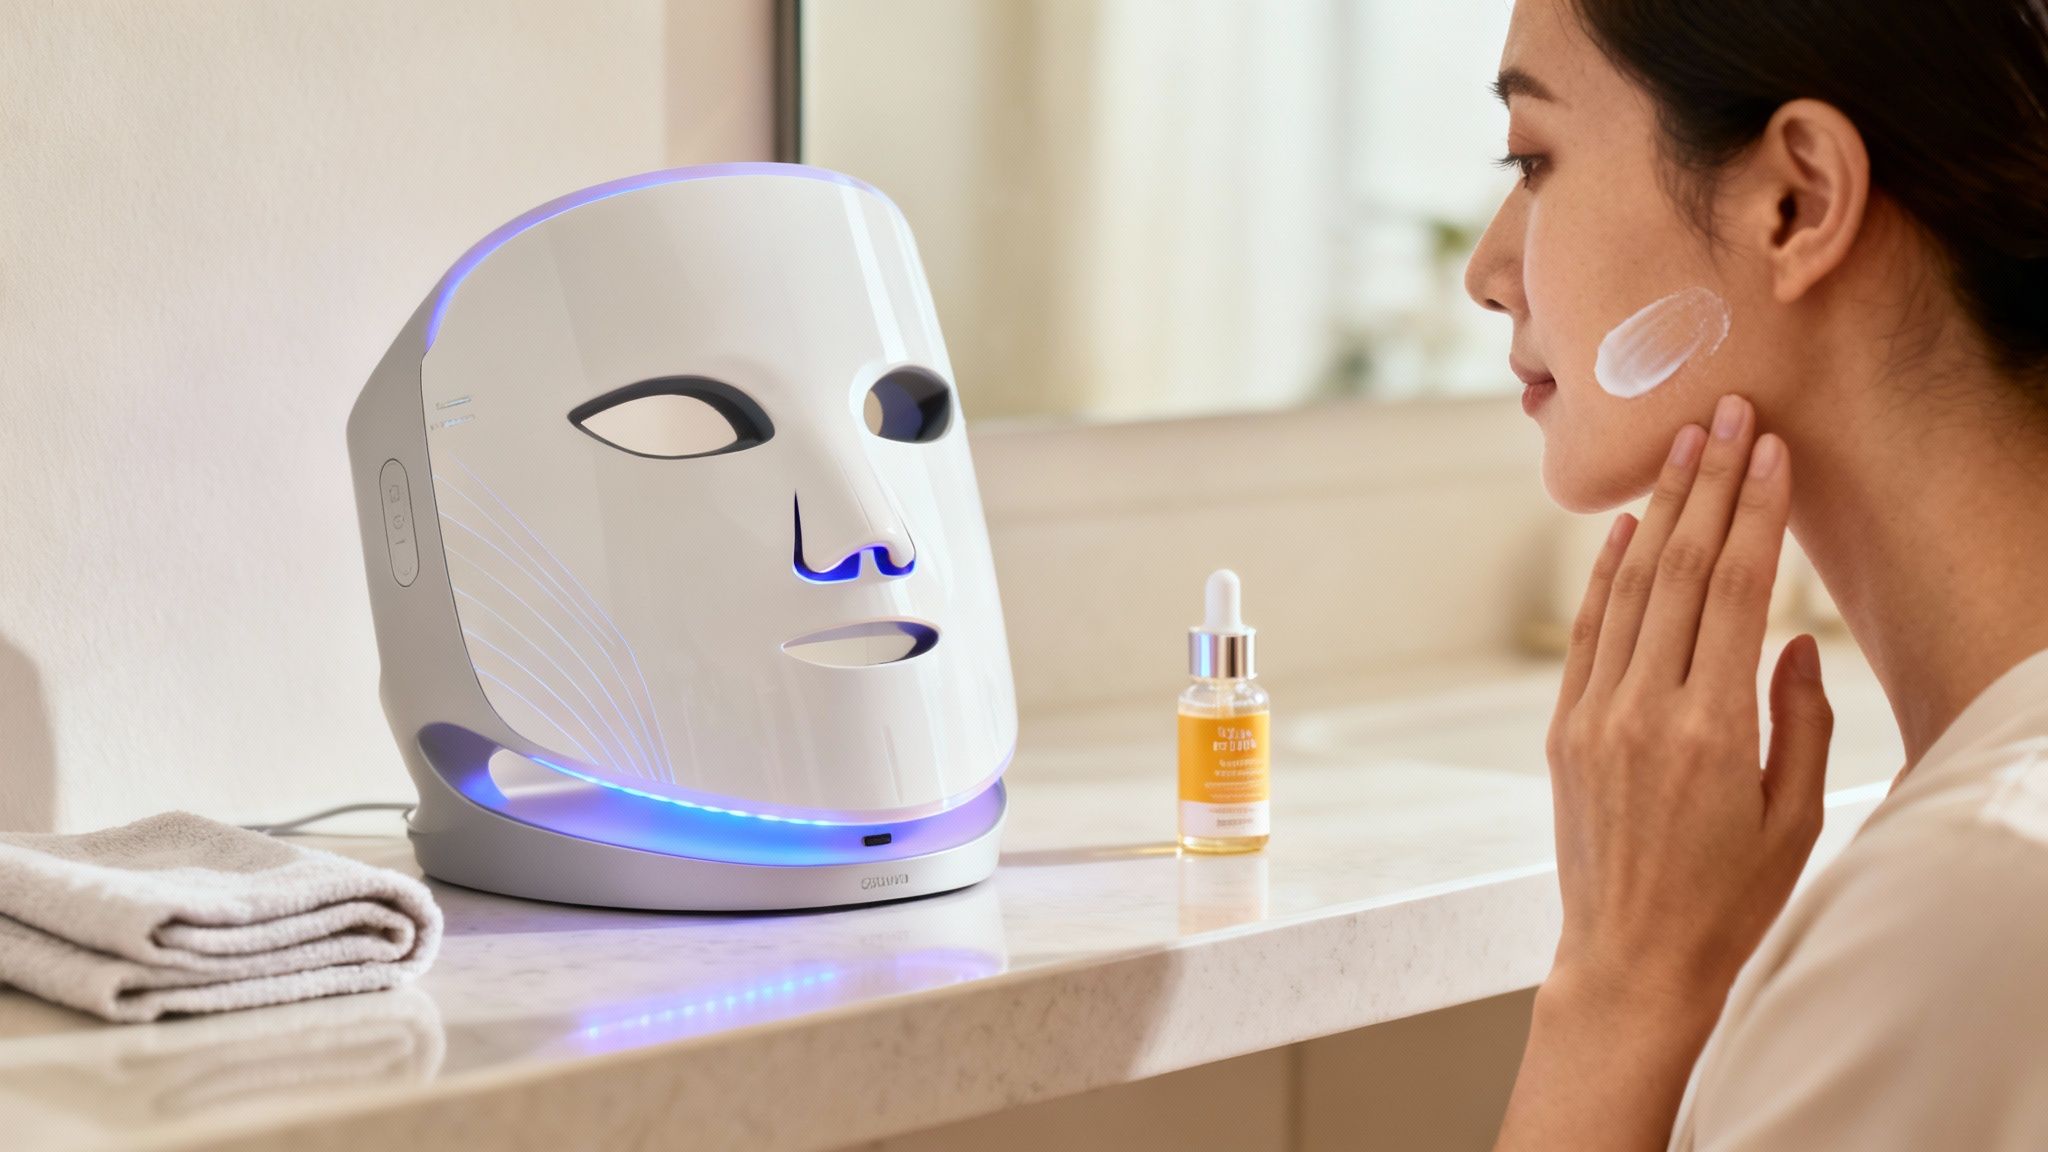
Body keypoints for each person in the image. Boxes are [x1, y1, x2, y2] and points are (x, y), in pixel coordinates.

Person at [1461, 0, 2048, 1147]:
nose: (1487, 271)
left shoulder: (1971, 901)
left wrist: (1617, 990)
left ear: (1797, 203)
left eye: (1534, 159)